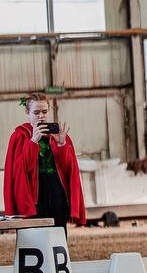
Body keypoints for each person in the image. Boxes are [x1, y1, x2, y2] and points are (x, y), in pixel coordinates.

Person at [4, 92, 86, 229]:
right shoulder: (20, 135)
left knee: (58, 234)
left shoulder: (57, 134)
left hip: (57, 192)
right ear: (27, 113)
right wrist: (33, 142)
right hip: (33, 197)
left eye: (44, 111)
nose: (41, 116)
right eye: (36, 112)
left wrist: (62, 145)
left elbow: (68, 170)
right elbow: (21, 170)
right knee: (36, 235)